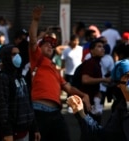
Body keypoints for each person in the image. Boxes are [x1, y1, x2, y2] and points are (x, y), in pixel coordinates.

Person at [29, 5, 91, 141]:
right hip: (39, 112)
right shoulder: (37, 59)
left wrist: (83, 95)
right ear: (39, 48)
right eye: (46, 44)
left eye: (52, 44)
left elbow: (68, 88)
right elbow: (33, 40)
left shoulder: (55, 68)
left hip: (56, 113)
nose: (50, 45)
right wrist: (35, 20)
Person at [0, 45, 40, 141]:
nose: (17, 56)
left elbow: (28, 104)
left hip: (25, 131)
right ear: (6, 57)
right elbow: (3, 107)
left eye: (18, 53)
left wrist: (35, 128)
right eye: (14, 54)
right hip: (13, 133)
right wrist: (7, 132)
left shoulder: (21, 77)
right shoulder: (3, 77)